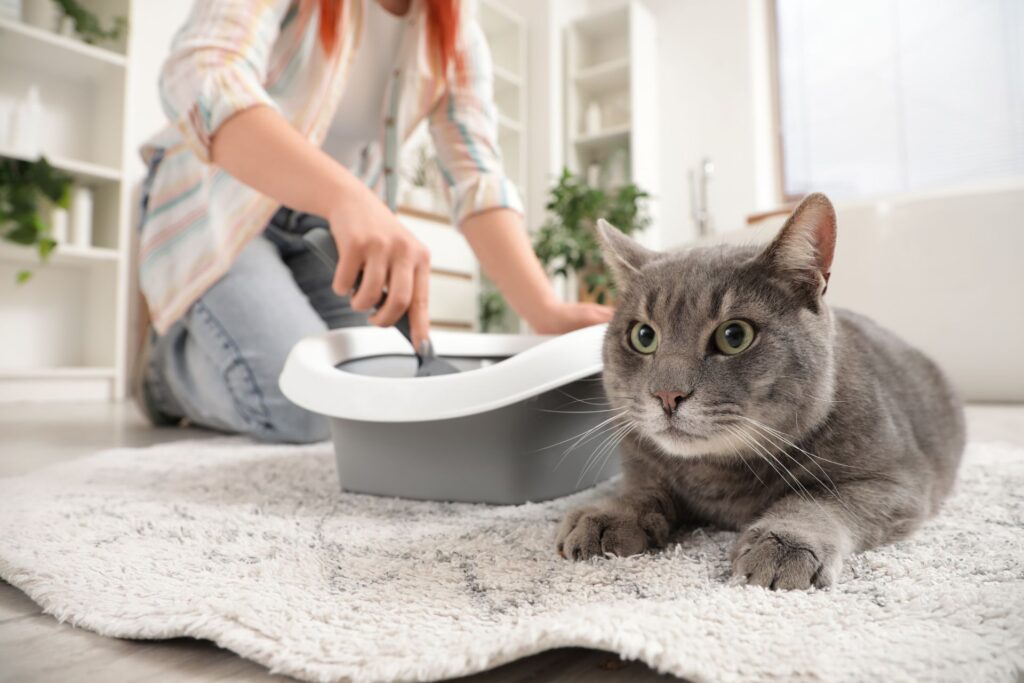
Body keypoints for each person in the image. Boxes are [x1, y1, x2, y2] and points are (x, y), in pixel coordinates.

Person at [135, 0, 611, 444]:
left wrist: (546, 309)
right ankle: (163, 378)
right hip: (216, 203)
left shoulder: (457, 36)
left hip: (320, 228)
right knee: (303, 406)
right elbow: (203, 71)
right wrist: (347, 197)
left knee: (371, 390)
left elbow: (475, 176)